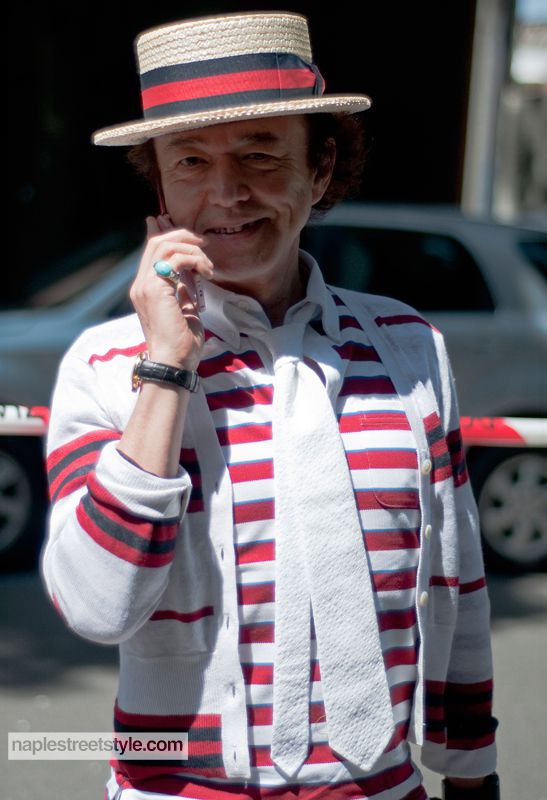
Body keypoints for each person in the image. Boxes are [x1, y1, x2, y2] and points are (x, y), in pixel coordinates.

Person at [42, 12, 499, 800]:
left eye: (259, 154)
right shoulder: (107, 365)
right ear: (159, 187)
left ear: (320, 170)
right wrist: (167, 366)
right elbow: (96, 607)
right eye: (190, 161)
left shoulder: (407, 345)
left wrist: (470, 772)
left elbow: (458, 582)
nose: (227, 193)